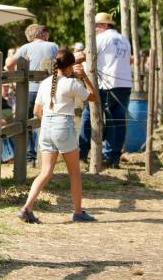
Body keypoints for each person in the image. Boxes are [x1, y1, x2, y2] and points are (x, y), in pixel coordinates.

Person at [18, 49, 97, 224]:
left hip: (46, 126)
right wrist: (84, 76)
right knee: (74, 173)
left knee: (45, 172)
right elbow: (93, 97)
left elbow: (37, 111)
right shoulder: (71, 84)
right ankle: (78, 212)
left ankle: (27, 207)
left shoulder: (45, 83)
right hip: (64, 126)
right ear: (70, 67)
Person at [78, 12, 133, 168]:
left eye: (96, 25)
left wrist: (66, 60)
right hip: (124, 83)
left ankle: (82, 152)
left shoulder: (101, 39)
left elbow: (86, 55)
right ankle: (113, 157)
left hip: (106, 84)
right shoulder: (124, 39)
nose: (94, 29)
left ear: (103, 25)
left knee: (88, 115)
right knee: (118, 121)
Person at [5, 23, 58, 165]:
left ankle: (29, 157)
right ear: (42, 34)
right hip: (47, 90)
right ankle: (44, 154)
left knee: (26, 123)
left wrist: (14, 79)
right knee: (46, 121)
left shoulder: (25, 48)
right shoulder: (52, 46)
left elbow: (9, 63)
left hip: (29, 90)